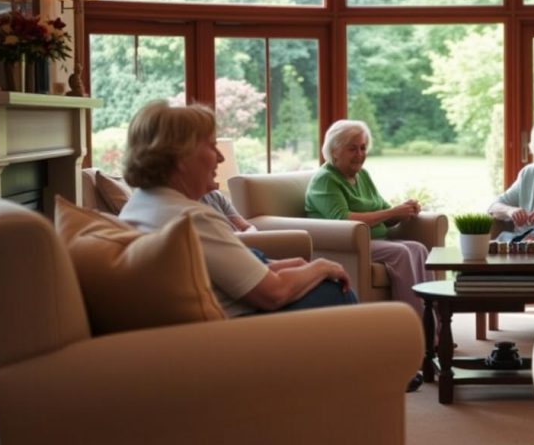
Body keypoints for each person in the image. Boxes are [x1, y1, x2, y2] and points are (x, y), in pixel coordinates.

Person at [119, 100, 358, 322]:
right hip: (237, 333)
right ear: (181, 157)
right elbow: (273, 293)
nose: (220, 157)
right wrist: (323, 266)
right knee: (336, 291)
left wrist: (281, 266)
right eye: (211, 146)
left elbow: (219, 274)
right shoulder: (192, 218)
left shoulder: (140, 205)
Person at [304, 119, 436, 318]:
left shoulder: (362, 175)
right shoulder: (326, 180)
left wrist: (403, 211)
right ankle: (413, 327)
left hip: (375, 241)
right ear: (334, 151)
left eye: (363, 148)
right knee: (400, 252)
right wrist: (391, 213)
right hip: (349, 246)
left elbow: (384, 213)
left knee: (419, 249)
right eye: (352, 149)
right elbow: (343, 220)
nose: (360, 155)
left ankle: (434, 325)